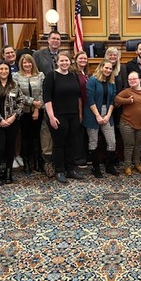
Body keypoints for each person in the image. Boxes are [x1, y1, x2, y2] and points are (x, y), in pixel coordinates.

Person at [44, 51, 83, 184]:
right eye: (62, 61)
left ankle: (71, 169)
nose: (64, 63)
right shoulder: (51, 76)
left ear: (70, 62)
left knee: (71, 143)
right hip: (58, 116)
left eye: (66, 60)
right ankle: (59, 170)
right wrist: (51, 117)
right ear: (57, 61)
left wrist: (80, 114)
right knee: (59, 144)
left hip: (73, 115)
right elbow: (47, 98)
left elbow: (78, 97)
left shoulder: (74, 76)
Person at [0, 62, 24, 186]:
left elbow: (21, 102)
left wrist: (14, 117)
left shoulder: (15, 85)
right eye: (1, 69)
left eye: (6, 69)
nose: (4, 71)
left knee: (10, 148)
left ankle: (8, 173)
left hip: (12, 123)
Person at [33, 30, 61, 176]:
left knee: (59, 129)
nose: (56, 41)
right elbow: (34, 75)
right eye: (53, 38)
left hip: (61, 99)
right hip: (45, 97)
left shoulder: (63, 56)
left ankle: (59, 161)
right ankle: (47, 161)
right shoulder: (38, 55)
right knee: (46, 130)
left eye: (58, 39)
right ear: (48, 40)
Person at [84, 59, 117, 178]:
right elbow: (90, 99)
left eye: (110, 68)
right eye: (106, 67)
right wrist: (98, 116)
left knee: (112, 141)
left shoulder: (112, 82)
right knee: (93, 142)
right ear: (101, 67)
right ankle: (95, 167)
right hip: (93, 114)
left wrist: (108, 115)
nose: (108, 70)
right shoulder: (93, 80)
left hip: (107, 113)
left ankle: (109, 166)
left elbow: (113, 99)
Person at [13, 54, 45, 174]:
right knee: (25, 137)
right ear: (21, 64)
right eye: (24, 63)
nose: (27, 65)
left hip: (38, 111)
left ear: (33, 63)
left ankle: (37, 161)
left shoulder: (40, 75)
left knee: (36, 136)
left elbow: (42, 92)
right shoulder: (16, 76)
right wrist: (32, 102)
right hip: (23, 112)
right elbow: (17, 94)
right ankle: (26, 162)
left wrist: (37, 108)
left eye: (29, 62)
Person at [115, 71, 141, 176]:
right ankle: (127, 166)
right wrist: (127, 101)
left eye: (134, 79)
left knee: (138, 145)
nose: (132, 81)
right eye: (130, 79)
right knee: (129, 145)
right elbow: (116, 98)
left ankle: (137, 164)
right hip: (127, 123)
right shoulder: (127, 91)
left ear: (139, 80)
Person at [72, 51, 91, 168]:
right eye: (81, 58)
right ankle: (78, 158)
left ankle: (85, 155)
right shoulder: (73, 73)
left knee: (85, 132)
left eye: (85, 58)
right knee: (77, 132)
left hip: (87, 106)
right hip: (76, 106)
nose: (83, 60)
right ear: (76, 60)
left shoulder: (87, 73)